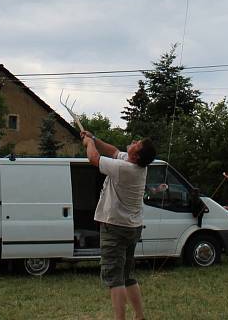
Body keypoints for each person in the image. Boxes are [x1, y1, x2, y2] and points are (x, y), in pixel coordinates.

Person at [81, 130, 156, 320]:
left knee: (115, 278)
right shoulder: (136, 164)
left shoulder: (126, 169)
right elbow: (113, 151)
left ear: (135, 155)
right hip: (132, 227)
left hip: (114, 227)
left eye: (137, 143)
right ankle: (139, 317)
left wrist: (89, 143)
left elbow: (94, 158)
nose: (134, 140)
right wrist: (95, 139)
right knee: (127, 275)